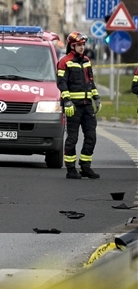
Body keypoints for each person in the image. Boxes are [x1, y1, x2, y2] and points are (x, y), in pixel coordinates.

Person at [57, 31, 100, 179]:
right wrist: (67, 101)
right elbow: (61, 83)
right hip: (73, 107)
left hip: (87, 106)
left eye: (83, 45)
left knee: (91, 136)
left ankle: (85, 167)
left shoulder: (87, 61)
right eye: (79, 45)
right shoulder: (65, 62)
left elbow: (91, 81)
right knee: (72, 139)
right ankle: (70, 169)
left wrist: (96, 97)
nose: (82, 47)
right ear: (72, 46)